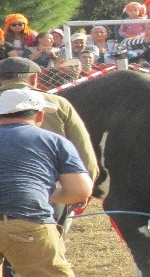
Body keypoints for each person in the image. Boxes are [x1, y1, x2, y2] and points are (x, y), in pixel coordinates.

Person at [0, 88, 93, 277]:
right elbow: (80, 189)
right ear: (40, 115)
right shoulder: (53, 141)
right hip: (26, 220)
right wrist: (38, 190)